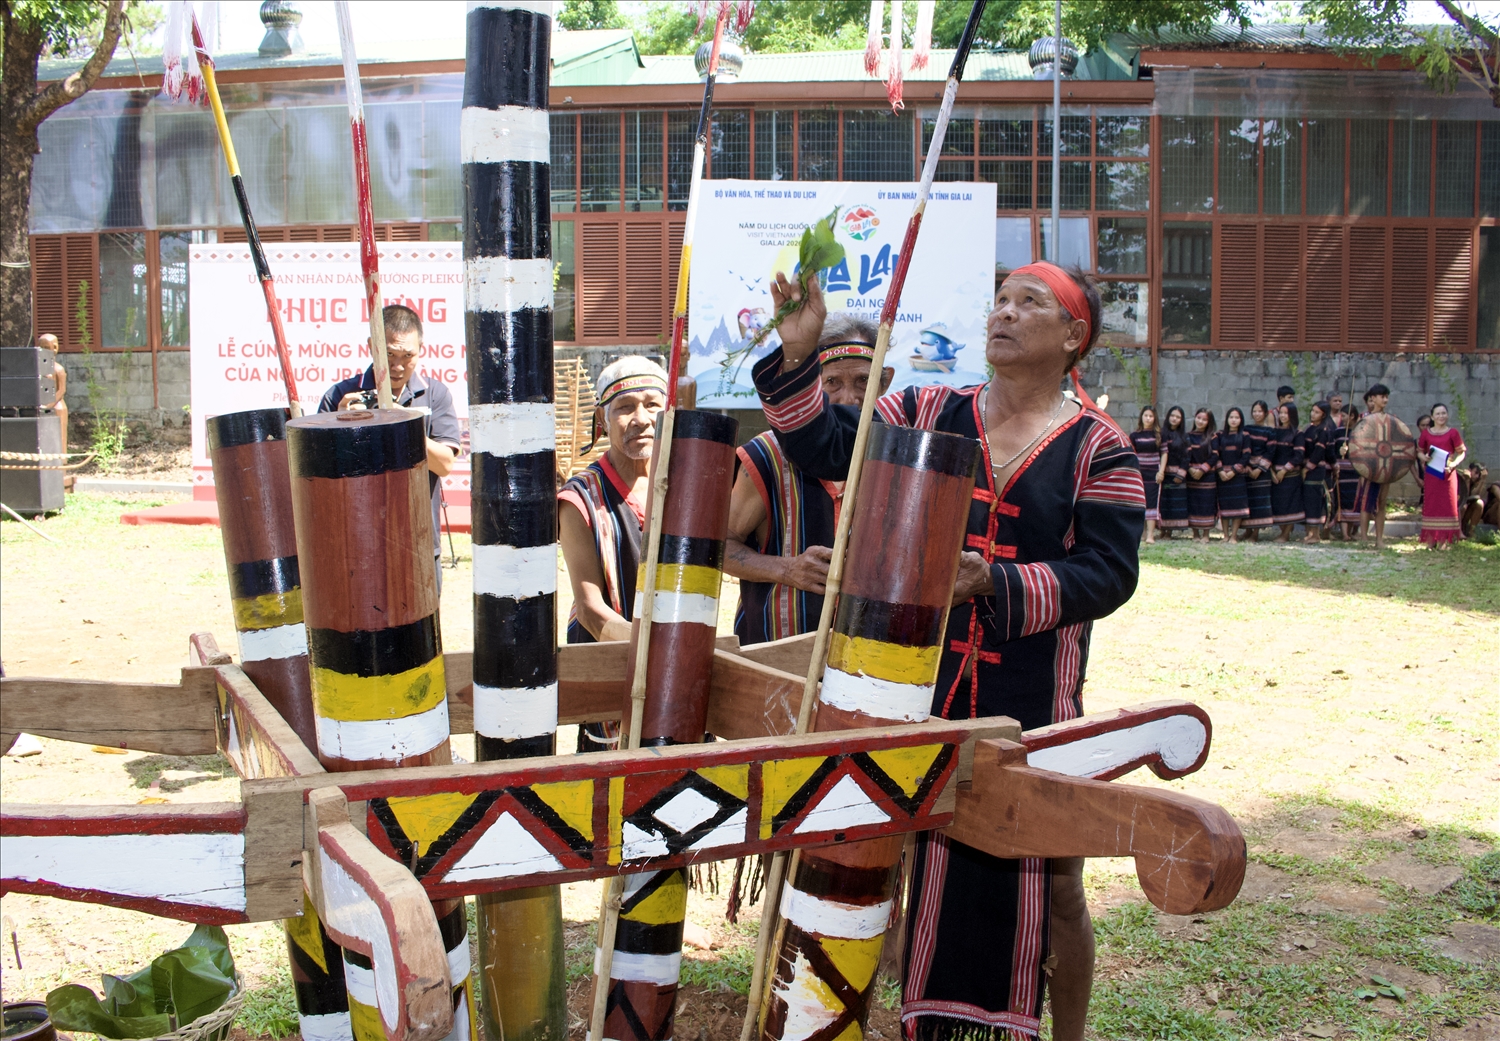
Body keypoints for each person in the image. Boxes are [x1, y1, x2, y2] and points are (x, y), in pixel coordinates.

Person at [751, 260, 1144, 1041]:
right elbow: (830, 450)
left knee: (1052, 881)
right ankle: (904, 1017)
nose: (1004, 311)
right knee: (899, 861)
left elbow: (1109, 571)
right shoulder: (925, 407)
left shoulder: (1099, 447)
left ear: (1074, 337)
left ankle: (1057, 1032)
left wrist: (993, 582)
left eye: (1029, 302)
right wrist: (796, 356)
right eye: (998, 298)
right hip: (916, 693)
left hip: (1030, 709)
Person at [725, 315, 892, 645]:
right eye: (832, 383)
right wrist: (787, 569)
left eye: (863, 381)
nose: (849, 399)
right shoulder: (766, 456)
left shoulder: (900, 458)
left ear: (884, 382)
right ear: (811, 387)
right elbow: (715, 546)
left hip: (868, 666)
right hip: (775, 661)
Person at [557, 356, 669, 751]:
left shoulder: (682, 485)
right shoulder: (580, 498)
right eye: (625, 407)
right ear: (602, 422)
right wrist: (657, 652)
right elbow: (588, 609)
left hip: (673, 668)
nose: (641, 418)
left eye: (653, 404)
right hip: (609, 663)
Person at [318, 304, 460, 582]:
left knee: (423, 626)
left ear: (421, 350)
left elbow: (444, 465)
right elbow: (320, 474)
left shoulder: (435, 395)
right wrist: (340, 424)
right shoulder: (341, 395)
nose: (397, 367)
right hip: (355, 544)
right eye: (389, 354)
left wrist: (402, 422)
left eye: (408, 356)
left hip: (418, 541)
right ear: (372, 346)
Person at [1417, 403, 1466, 549]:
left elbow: (1461, 452)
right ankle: (1431, 540)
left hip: (1448, 475)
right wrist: (1423, 458)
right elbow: (1419, 450)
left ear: (1448, 415)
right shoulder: (1426, 433)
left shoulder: (1453, 433)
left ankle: (1445, 541)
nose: (1441, 416)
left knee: (1448, 505)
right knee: (1431, 504)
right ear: (1432, 416)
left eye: (1444, 413)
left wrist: (1453, 464)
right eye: (1438, 414)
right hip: (1432, 473)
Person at [1352, 383, 1391, 538]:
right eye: (1383, 397)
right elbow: (1357, 442)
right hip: (1369, 466)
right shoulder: (1363, 419)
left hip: (1385, 466)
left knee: (1382, 502)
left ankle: (1379, 539)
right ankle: (1364, 537)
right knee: (1366, 502)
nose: (1385, 400)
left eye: (1387, 397)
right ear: (1373, 398)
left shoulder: (1389, 420)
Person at [1213, 407, 1251, 543]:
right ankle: (1225, 535)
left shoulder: (1245, 436)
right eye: (1231, 417)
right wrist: (1221, 471)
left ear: (1241, 420)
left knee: (1237, 505)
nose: (1233, 420)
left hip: (1238, 475)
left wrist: (1234, 470)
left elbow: (1246, 455)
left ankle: (1234, 535)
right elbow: (1215, 454)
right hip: (1222, 475)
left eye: (1237, 417)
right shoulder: (1219, 435)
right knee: (1224, 505)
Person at [1269, 402, 1305, 541]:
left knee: (1291, 504)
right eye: (1281, 413)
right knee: (1278, 504)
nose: (1283, 416)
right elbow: (1271, 452)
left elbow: (1299, 456)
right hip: (1275, 475)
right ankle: (1282, 531)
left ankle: (1285, 534)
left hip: (1291, 475)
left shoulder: (1297, 433)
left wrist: (1284, 470)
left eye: (1286, 413)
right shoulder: (1275, 432)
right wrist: (1272, 471)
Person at [1129, 406, 1164, 545]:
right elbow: (1132, 453)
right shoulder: (1134, 435)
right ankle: (1141, 533)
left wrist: (1161, 471)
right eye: (1146, 415)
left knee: (1152, 502)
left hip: (1154, 473)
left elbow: (1164, 453)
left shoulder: (1159, 435)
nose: (1148, 418)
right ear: (1141, 417)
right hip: (1139, 472)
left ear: (1154, 418)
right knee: (1139, 502)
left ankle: (1150, 534)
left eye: (1151, 416)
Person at [36, 334, 68, 484]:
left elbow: (61, 391)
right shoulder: (39, 369)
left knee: (60, 439)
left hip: (57, 407)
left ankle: (61, 471)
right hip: (44, 408)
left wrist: (48, 404)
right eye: (44, 348)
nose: (48, 351)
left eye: (50, 348)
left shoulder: (58, 369)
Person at [1242, 400, 1276, 541]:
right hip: (1247, 470)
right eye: (1254, 411)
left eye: (1260, 411)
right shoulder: (1246, 429)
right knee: (1248, 500)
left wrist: (1259, 469)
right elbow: (1243, 448)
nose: (1257, 414)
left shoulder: (1270, 432)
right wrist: (1248, 467)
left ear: (1266, 413)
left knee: (1260, 501)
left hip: (1262, 473)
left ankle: (1256, 533)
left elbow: (1270, 452)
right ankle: (1247, 530)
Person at [1301, 401, 1332, 543]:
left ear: (1323, 415)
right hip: (1307, 468)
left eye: (1317, 412)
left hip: (1316, 469)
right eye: (1312, 411)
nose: (1313, 414)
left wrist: (1307, 468)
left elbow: (1319, 452)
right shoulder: (1309, 429)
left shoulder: (1323, 431)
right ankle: (1309, 532)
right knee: (1307, 500)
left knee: (1314, 500)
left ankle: (1316, 534)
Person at [1185, 408, 1218, 539]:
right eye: (1198, 418)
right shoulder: (1188, 436)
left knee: (1207, 504)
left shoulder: (1213, 437)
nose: (1200, 421)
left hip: (1208, 476)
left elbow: (1215, 456)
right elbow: (1184, 455)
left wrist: (1203, 469)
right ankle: (1195, 533)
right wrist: (1190, 469)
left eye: (1204, 419)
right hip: (1192, 475)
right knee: (1193, 503)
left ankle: (1206, 533)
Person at [1158, 406, 1190, 538]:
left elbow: (1187, 456)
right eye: (1172, 416)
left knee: (1175, 502)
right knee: (1164, 502)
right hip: (1163, 474)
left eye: (1178, 417)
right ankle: (1163, 529)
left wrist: (1181, 473)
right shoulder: (1161, 433)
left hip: (1177, 476)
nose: (1174, 419)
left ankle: (1170, 531)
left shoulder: (1184, 437)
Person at [1330, 405, 1362, 540]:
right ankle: (1345, 534)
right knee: (1342, 499)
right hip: (1342, 471)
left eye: (1344, 416)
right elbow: (1332, 450)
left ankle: (1355, 531)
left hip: (1358, 471)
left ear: (1352, 416)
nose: (1342, 418)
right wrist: (1339, 454)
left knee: (1356, 500)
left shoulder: (1361, 432)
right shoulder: (1338, 432)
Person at [1460, 462, 1490, 539]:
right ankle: (1459, 529)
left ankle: (1471, 532)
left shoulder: (1477, 482)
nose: (1477, 476)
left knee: (1479, 503)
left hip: (1468, 510)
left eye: (1479, 474)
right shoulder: (1460, 478)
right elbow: (1464, 497)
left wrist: (1482, 480)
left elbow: (1476, 495)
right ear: (1469, 470)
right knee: (1464, 506)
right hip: (1459, 509)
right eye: (1476, 473)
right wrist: (1467, 480)